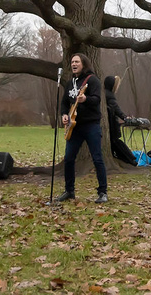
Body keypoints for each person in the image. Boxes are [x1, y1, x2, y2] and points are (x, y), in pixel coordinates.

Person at [56, 53, 108, 204]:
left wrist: (86, 99)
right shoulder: (69, 82)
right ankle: (69, 191)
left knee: (97, 158)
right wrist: (64, 114)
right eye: (72, 62)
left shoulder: (92, 80)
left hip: (91, 125)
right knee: (68, 158)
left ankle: (103, 192)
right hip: (74, 127)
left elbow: (97, 99)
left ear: (83, 64)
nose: (74, 64)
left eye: (77, 62)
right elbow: (65, 102)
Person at [104, 75, 137, 165]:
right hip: (112, 125)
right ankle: (131, 160)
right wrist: (125, 117)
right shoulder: (110, 96)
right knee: (116, 142)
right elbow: (116, 109)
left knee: (114, 143)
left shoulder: (104, 94)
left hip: (109, 124)